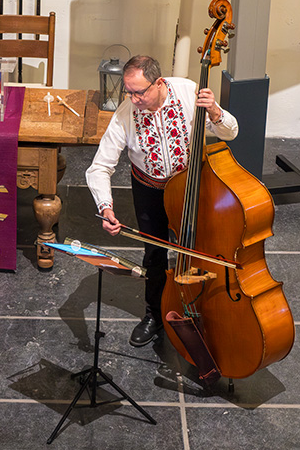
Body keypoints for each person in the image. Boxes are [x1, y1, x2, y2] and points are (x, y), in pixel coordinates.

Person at [85, 55, 239, 347]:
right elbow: (99, 167)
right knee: (154, 254)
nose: (133, 99)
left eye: (138, 92)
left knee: (201, 247)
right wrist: (106, 206)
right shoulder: (125, 114)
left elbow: (230, 132)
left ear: (158, 83)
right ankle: (154, 314)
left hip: (192, 185)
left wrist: (215, 111)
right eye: (128, 92)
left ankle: (208, 309)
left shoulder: (188, 91)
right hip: (150, 190)